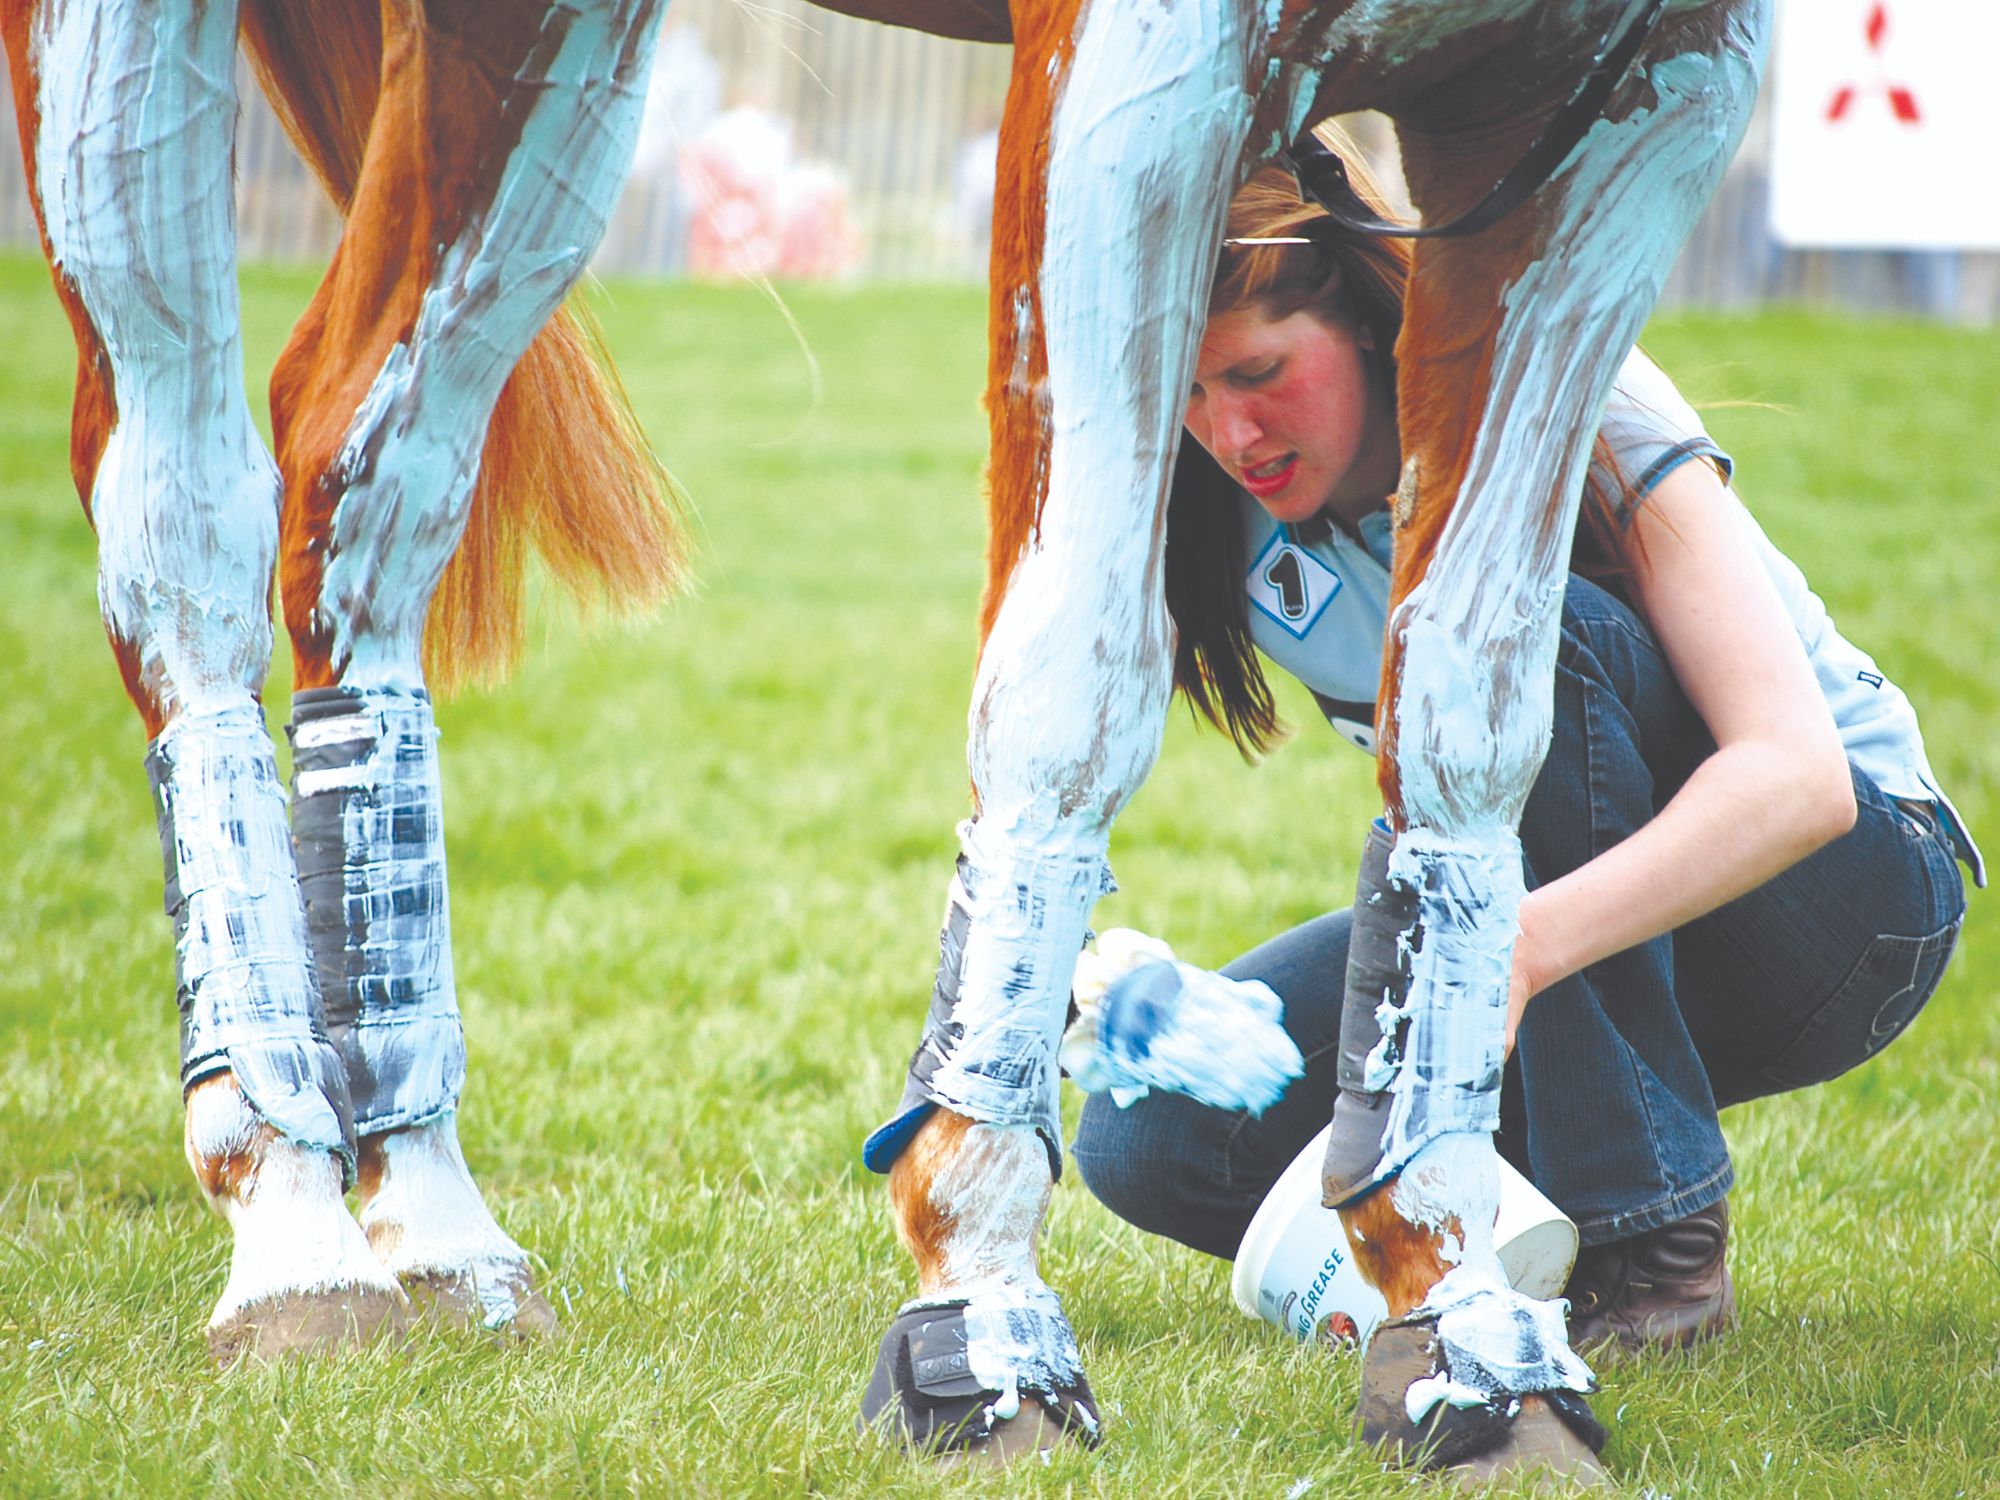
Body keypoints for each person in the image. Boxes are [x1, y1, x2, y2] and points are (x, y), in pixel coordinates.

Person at [1071, 129, 1983, 1352]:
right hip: (1545, 916)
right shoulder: (1214, 512)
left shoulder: (1557, 381)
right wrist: (1091, 985)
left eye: (1255, 372)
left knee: (1500, 630)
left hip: (1844, 901)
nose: (1228, 435)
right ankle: (1506, 1240)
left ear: (1358, 317)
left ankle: (1648, 1245)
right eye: (1187, 395)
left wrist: (1510, 952)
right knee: (1153, 1131)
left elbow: (1799, 780)